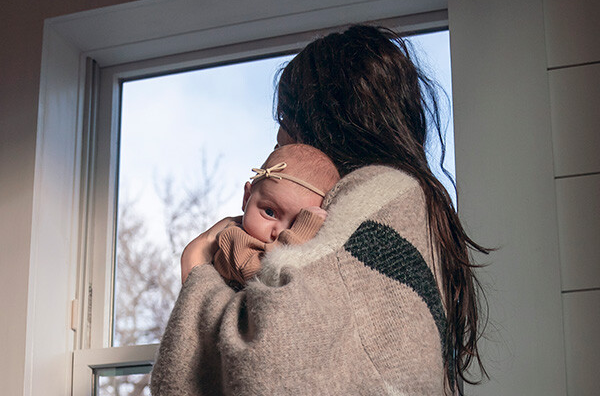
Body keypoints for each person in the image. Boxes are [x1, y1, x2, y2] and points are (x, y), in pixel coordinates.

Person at [151, 25, 489, 395]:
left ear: (328, 121)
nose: (280, 138)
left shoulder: (378, 198)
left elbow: (274, 355)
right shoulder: (416, 206)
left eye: (287, 120)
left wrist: (198, 267)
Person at [212, 143, 340, 289]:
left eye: (295, 224)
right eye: (270, 212)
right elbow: (264, 274)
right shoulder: (233, 238)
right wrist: (298, 236)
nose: (279, 233)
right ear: (246, 198)